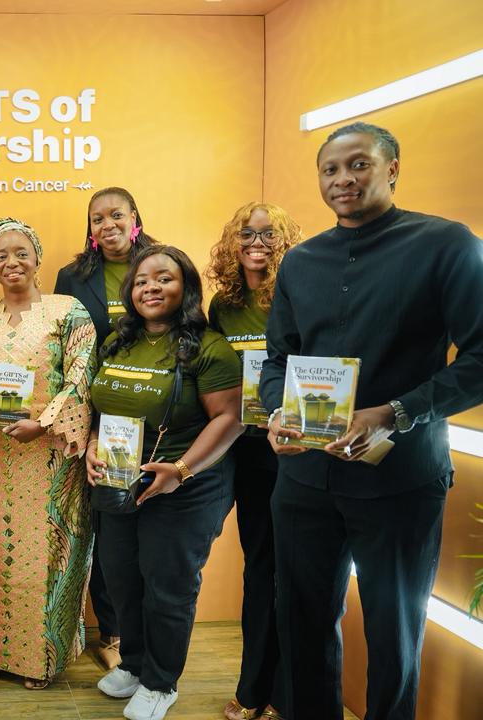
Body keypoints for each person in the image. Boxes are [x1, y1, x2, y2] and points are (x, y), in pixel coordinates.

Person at [260, 122, 483, 720]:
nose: (343, 179)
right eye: (330, 169)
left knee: (394, 634)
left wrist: (394, 412)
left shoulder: (446, 245)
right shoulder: (300, 261)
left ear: (393, 168)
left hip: (399, 481)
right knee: (301, 627)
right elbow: (279, 356)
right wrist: (278, 411)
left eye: (358, 164)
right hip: (304, 481)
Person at [87, 245, 243, 720]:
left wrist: (182, 470)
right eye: (141, 281)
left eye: (164, 279)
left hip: (185, 487)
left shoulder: (209, 347)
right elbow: (102, 407)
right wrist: (93, 445)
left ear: (186, 288)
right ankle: (134, 664)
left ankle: (160, 682)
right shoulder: (118, 341)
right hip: (120, 480)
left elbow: (231, 418)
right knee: (121, 579)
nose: (150, 288)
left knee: (168, 586)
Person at [0, 217, 96, 690]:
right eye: (1, 255)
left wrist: (45, 422)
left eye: (21, 252)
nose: (12, 262)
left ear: (37, 257)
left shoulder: (68, 311)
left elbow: (82, 373)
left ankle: (40, 660)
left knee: (45, 559)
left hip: (49, 457)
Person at [54, 185, 158, 670]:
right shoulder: (73, 277)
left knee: (153, 521)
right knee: (108, 522)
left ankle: (152, 629)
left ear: (135, 216)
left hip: (156, 411)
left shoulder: (161, 263)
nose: (107, 224)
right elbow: (61, 340)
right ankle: (113, 632)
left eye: (116, 214)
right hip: (101, 413)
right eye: (97, 218)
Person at [206, 203, 301, 720]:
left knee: (297, 570)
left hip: (295, 450)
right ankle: (253, 688)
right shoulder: (224, 305)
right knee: (260, 566)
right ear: (232, 242)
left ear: (285, 241)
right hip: (247, 452)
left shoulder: (297, 294)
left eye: (268, 234)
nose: (256, 242)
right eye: (246, 233)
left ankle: (287, 695)